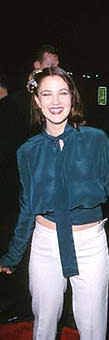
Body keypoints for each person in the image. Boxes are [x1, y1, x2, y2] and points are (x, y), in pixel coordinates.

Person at [0, 66, 109, 340]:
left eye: (62, 92)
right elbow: (27, 206)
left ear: (72, 97)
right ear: (36, 101)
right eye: (46, 93)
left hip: (91, 244)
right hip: (45, 245)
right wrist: (13, 254)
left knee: (94, 327)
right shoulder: (27, 152)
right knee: (44, 325)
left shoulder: (96, 140)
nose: (55, 101)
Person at [0, 44, 60, 324]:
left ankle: (25, 306)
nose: (53, 74)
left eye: (57, 69)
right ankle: (16, 305)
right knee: (15, 246)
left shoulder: (53, 105)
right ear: (35, 68)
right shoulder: (13, 106)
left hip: (41, 195)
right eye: (48, 67)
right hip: (13, 193)